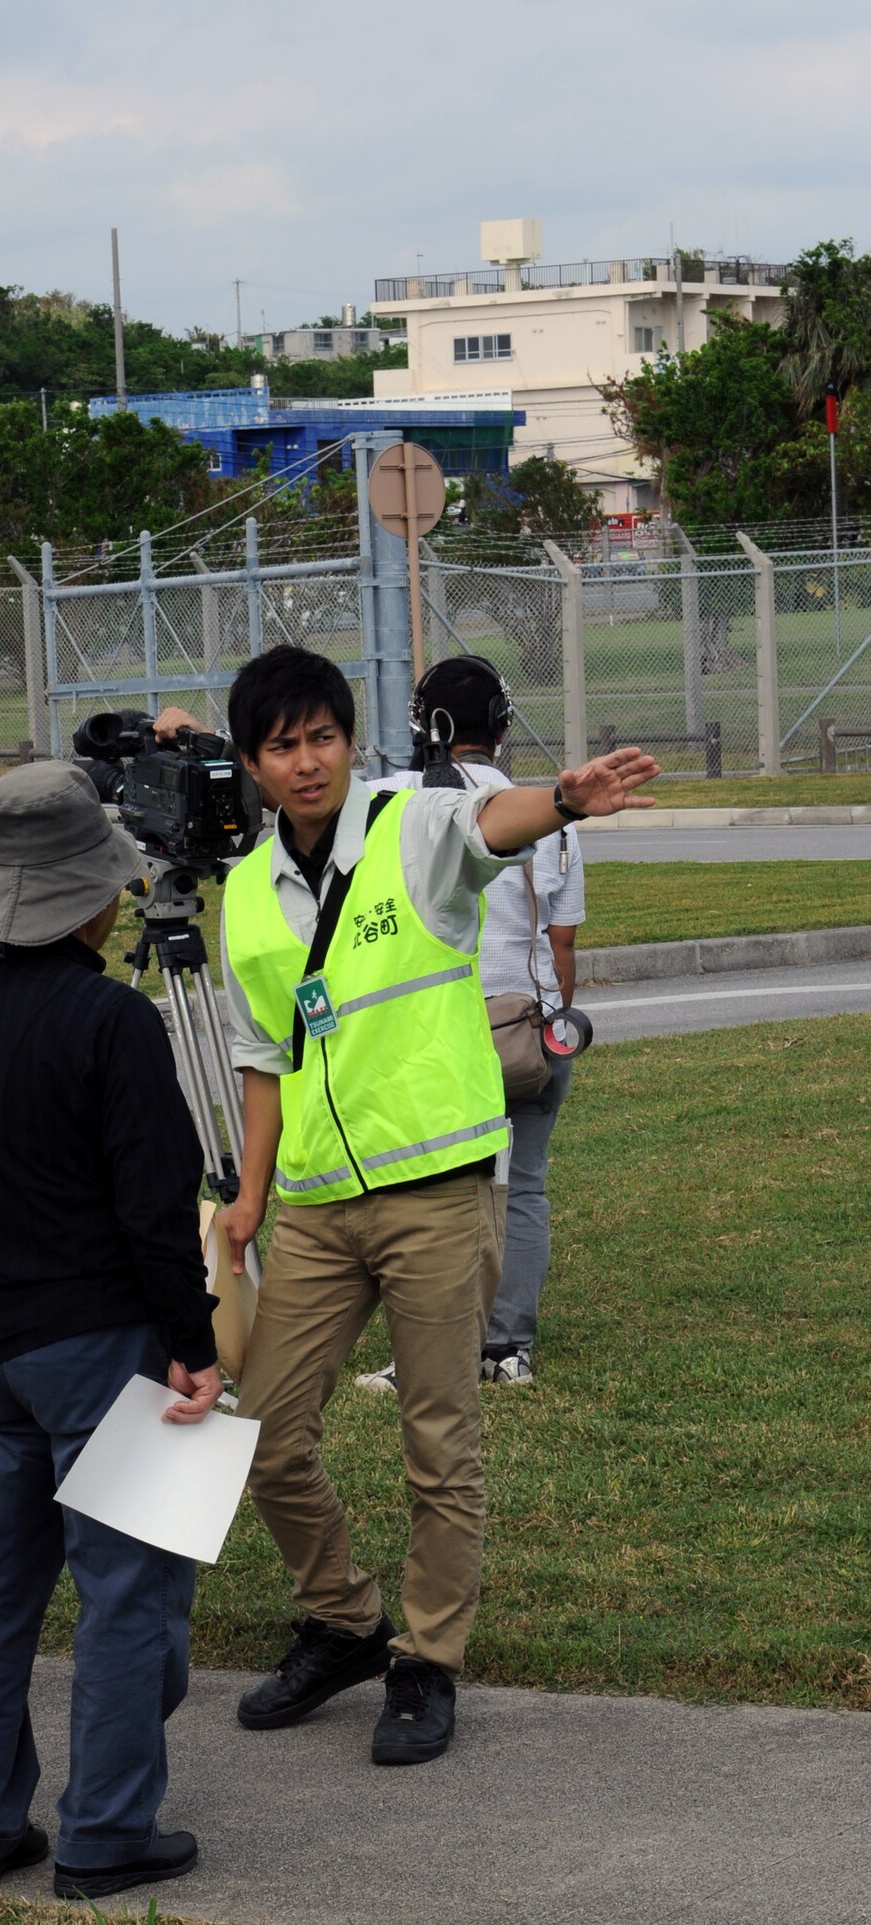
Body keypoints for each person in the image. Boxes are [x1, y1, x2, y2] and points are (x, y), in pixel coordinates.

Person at [217, 646, 657, 1766]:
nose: (305, 760)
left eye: (321, 736)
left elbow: (492, 822)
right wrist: (249, 1195)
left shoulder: (412, 823)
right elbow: (262, 1058)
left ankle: (426, 1658)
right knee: (264, 1436)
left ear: (349, 740)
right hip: (314, 1202)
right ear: (253, 763)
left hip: (435, 1188)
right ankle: (344, 1621)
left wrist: (562, 797)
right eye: (281, 744)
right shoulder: (244, 893)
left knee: (436, 1441)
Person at [0, 761, 222, 1902]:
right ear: (93, 895)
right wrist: (193, 1336)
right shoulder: (109, 1019)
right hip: (100, 1340)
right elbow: (152, 1202)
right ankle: (104, 1832)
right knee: (125, 1588)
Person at [359, 653, 586, 1388]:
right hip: (532, 1026)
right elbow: (562, 942)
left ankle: (424, 1353)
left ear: (428, 724)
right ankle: (506, 1346)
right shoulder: (547, 809)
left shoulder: (393, 800)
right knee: (522, 1187)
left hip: (438, 1031)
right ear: (500, 727)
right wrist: (552, 1018)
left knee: (426, 1197)